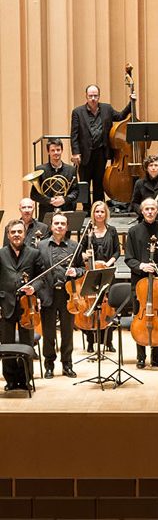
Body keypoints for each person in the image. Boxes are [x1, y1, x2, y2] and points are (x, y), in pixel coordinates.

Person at [124, 198, 158, 369]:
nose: (150, 211)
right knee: (141, 316)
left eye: (153, 208)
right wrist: (141, 266)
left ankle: (156, 357)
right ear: (142, 211)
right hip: (139, 283)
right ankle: (140, 356)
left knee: (157, 316)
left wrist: (157, 267)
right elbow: (129, 258)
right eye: (147, 209)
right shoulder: (133, 231)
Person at [37, 212, 85, 379]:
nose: (59, 226)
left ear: (67, 227)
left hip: (68, 296)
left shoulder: (74, 246)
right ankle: (49, 365)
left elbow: (82, 269)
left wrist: (75, 271)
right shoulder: (41, 246)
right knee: (48, 333)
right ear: (51, 226)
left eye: (62, 224)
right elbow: (37, 271)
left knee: (67, 332)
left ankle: (67, 364)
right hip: (47, 294)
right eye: (56, 223)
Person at [70, 83, 134, 206]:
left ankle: (98, 208)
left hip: (101, 152)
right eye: (90, 96)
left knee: (99, 182)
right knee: (85, 182)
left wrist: (131, 103)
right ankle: (87, 210)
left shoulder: (107, 109)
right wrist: (75, 152)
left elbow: (120, 116)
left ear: (99, 96)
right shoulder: (77, 112)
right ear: (86, 96)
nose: (93, 98)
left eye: (95, 96)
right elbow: (74, 134)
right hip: (84, 153)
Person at [0, 219, 44, 390]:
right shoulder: (1, 253)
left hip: (28, 306)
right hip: (6, 305)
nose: (16, 235)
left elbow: (42, 277)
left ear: (25, 234)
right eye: (13, 232)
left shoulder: (33, 253)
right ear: (8, 235)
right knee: (7, 343)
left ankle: (26, 378)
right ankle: (10, 380)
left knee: (26, 343)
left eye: (19, 232)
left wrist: (34, 287)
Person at [81, 200, 120, 354]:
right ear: (93, 213)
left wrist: (109, 263)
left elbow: (117, 251)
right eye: (97, 211)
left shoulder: (112, 230)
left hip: (108, 272)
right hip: (92, 273)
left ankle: (108, 341)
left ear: (106, 214)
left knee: (108, 307)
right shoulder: (87, 231)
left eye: (102, 211)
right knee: (91, 306)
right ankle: (91, 341)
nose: (99, 214)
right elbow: (80, 252)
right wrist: (86, 256)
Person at [30, 138, 79, 220]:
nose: (56, 153)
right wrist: (50, 200)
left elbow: (76, 192)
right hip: (46, 212)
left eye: (58, 150)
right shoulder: (40, 170)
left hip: (65, 211)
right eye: (53, 150)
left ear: (62, 150)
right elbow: (34, 195)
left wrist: (64, 199)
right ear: (48, 152)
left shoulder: (71, 170)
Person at [131, 154, 158, 220]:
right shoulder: (139, 183)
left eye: (156, 165)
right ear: (146, 168)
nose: (153, 168)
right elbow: (134, 203)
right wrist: (143, 211)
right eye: (150, 165)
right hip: (145, 218)